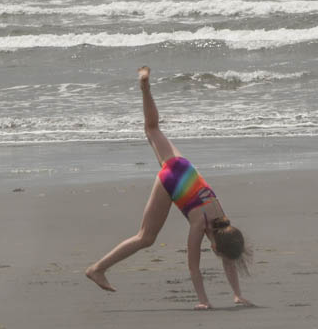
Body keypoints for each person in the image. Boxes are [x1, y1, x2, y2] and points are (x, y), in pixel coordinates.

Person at [85, 66, 252, 310]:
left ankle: (145, 88)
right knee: (146, 237)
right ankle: (97, 269)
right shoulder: (200, 224)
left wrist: (237, 295)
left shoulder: (222, 218)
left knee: (152, 128)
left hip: (185, 168)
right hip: (171, 180)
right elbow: (193, 264)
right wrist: (203, 300)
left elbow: (228, 257)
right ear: (214, 246)